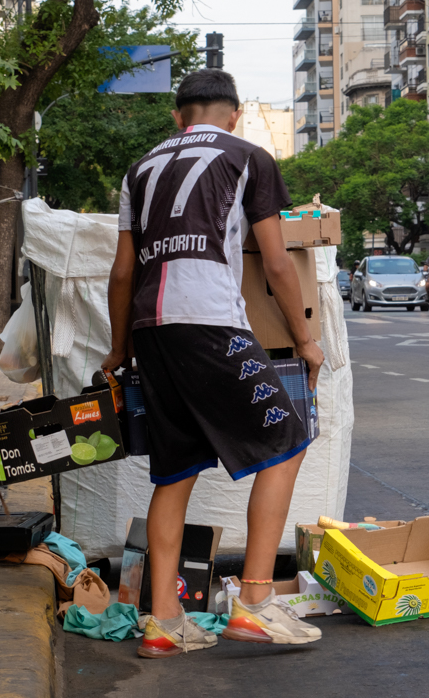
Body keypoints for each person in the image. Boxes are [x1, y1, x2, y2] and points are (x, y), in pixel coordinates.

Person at [102, 69, 325, 659]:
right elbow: (277, 264)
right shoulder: (249, 156)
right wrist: (305, 340)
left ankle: (164, 621)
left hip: (151, 333)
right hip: (209, 323)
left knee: (175, 471)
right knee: (288, 439)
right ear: (233, 115)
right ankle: (254, 602)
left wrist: (119, 348)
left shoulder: (139, 169)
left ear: (178, 117)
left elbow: (122, 271)